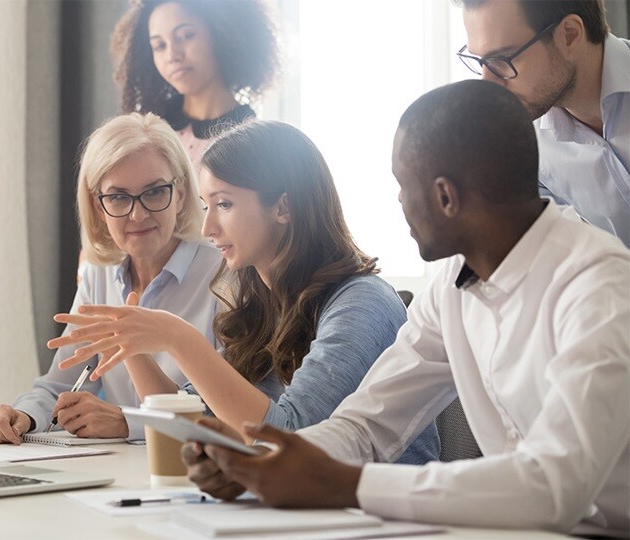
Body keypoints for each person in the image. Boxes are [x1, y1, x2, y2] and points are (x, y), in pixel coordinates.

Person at [181, 80, 629, 535]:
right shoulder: (452, 283)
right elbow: (366, 425)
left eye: (401, 185)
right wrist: (256, 462)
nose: (398, 203)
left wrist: (347, 485)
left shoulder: (599, 286)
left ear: (445, 197)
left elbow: (554, 488)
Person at [50, 120, 438, 464]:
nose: (207, 228)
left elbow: (290, 437)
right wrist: (129, 339)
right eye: (207, 205)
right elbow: (187, 421)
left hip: (385, 518)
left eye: (224, 204)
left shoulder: (361, 303)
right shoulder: (265, 304)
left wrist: (178, 338)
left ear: (282, 207)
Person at [0, 113, 221, 444]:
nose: (138, 214)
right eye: (119, 197)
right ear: (98, 206)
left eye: (154, 192)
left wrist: (127, 422)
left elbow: (222, 413)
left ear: (179, 194)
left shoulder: (224, 271)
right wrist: (23, 416)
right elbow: (61, 384)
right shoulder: (99, 274)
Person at [456, 0, 629, 246]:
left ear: (570, 35)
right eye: (481, 61)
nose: (488, 82)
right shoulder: (525, 146)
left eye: (503, 59)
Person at [111, 0, 281, 172]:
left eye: (185, 36)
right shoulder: (149, 133)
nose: (172, 55)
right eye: (159, 46)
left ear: (221, 33)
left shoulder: (255, 142)